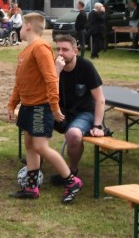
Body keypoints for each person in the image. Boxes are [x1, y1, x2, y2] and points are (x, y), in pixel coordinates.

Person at [8, 13, 83, 204]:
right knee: (30, 145)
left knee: (40, 146)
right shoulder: (25, 52)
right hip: (27, 106)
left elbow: (51, 79)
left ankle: (72, 181)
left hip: (40, 107)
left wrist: (55, 107)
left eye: (21, 25)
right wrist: (12, 104)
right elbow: (20, 82)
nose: (19, 28)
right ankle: (31, 187)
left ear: (28, 26)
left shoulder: (41, 48)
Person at [51, 34, 105, 186]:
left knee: (74, 134)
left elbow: (100, 99)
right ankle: (35, 164)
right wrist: (56, 72)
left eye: (65, 49)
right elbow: (47, 93)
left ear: (75, 51)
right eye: (58, 49)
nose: (60, 53)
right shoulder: (54, 66)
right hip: (61, 110)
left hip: (84, 113)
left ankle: (71, 171)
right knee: (34, 117)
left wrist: (97, 126)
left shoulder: (86, 67)